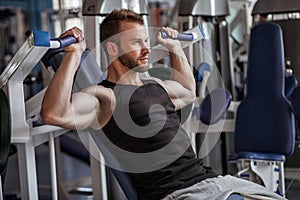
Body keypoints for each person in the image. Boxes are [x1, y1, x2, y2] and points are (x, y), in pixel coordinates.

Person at [41, 9, 286, 200]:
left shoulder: (155, 84)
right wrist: (73, 55)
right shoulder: (105, 96)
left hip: (213, 182)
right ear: (113, 48)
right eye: (136, 42)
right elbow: (53, 113)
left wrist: (175, 47)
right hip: (178, 193)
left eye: (146, 40)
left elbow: (189, 92)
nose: (146, 48)